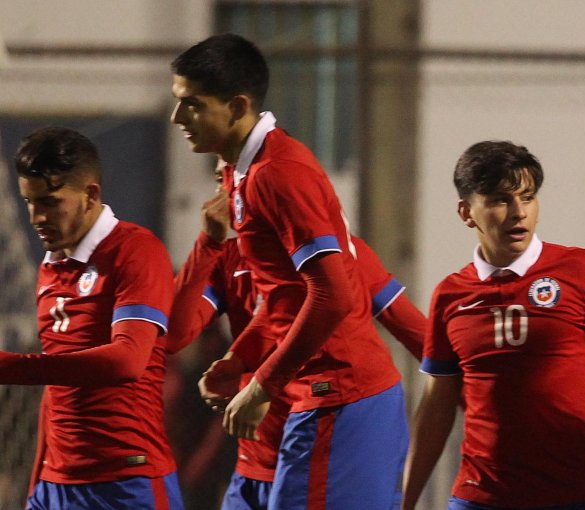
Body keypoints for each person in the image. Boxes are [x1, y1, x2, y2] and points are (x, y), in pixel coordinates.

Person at [169, 33, 408, 509]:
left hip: (339, 396)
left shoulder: (280, 173)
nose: (178, 119)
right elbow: (284, 299)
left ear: (237, 106)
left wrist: (262, 384)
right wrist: (242, 359)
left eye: (192, 105)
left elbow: (335, 296)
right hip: (309, 398)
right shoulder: (241, 173)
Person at [402, 140, 585, 510]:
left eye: (527, 198)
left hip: (569, 495)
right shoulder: (450, 295)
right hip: (478, 497)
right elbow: (436, 407)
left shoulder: (584, 270)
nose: (518, 212)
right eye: (500, 200)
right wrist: (404, 499)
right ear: (466, 212)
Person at [168, 166, 427, 510]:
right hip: (253, 461)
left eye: (236, 181)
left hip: (322, 454)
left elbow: (424, 341)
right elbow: (172, 332)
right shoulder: (228, 261)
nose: (227, 191)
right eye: (220, 181)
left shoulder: (338, 258)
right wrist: (208, 243)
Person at [6, 127, 182, 509]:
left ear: (91, 195)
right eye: (29, 202)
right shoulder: (51, 269)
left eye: (51, 202)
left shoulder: (136, 251)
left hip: (124, 483)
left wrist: (11, 368)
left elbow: (127, 360)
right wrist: (38, 483)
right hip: (55, 486)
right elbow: (56, 392)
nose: (36, 217)